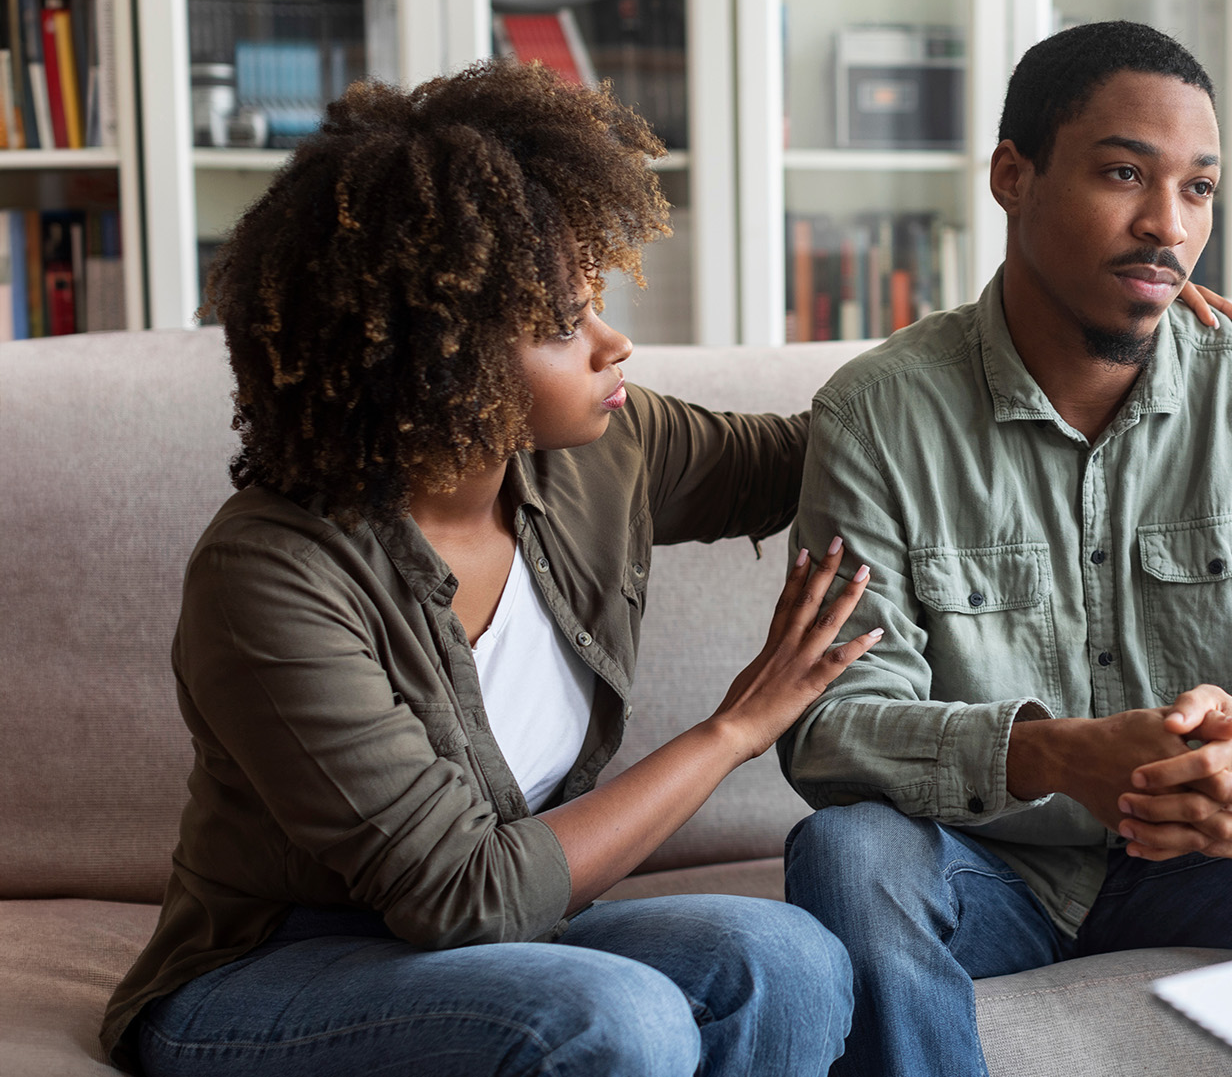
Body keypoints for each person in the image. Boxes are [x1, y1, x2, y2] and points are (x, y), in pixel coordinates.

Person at [96, 62, 879, 1077]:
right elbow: (464, 893)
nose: (614, 342)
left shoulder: (602, 450)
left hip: (512, 949)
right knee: (614, 1017)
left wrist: (1019, 338)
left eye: (595, 302)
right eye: (562, 323)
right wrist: (734, 727)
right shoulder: (272, 577)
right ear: (436, 356)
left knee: (788, 958)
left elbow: (826, 449)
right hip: (264, 972)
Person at [777, 20, 1232, 1077]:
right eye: (1124, 174)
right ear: (1011, 177)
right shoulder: (878, 413)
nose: (1165, 224)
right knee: (846, 852)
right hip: (992, 872)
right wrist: (1065, 756)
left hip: (1224, 860)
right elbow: (833, 726)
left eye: (1197, 188)